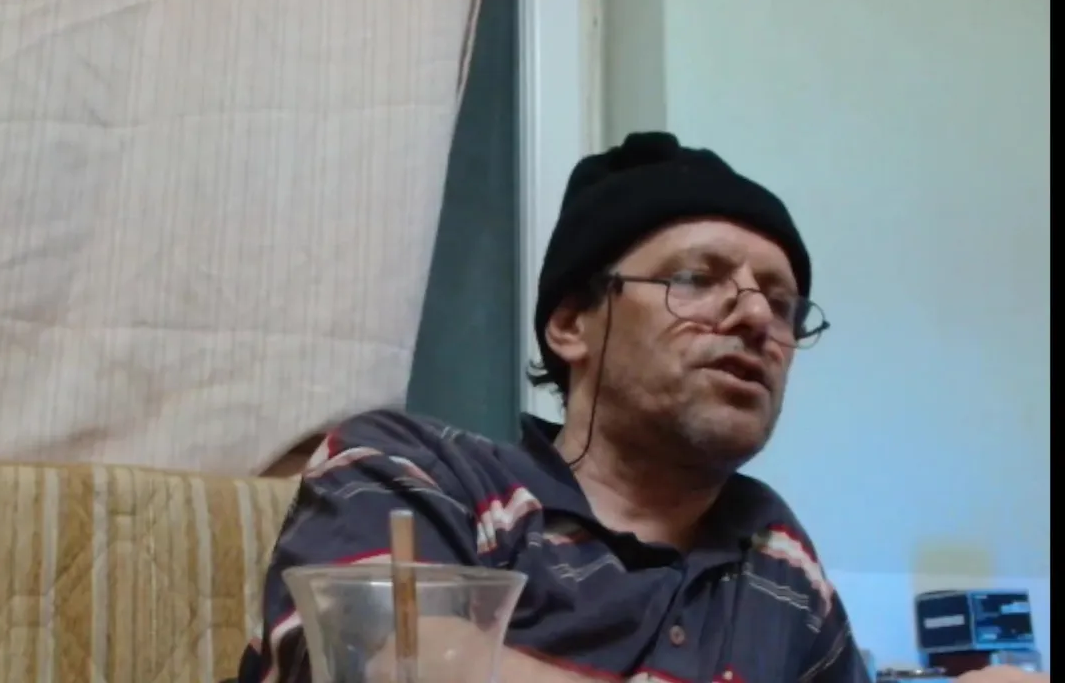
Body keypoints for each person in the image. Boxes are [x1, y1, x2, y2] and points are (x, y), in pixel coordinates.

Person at [236, 133, 1047, 683]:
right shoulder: (412, 470)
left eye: (781, 301)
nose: (756, 317)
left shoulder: (779, 560)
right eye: (696, 278)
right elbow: (390, 665)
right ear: (571, 324)